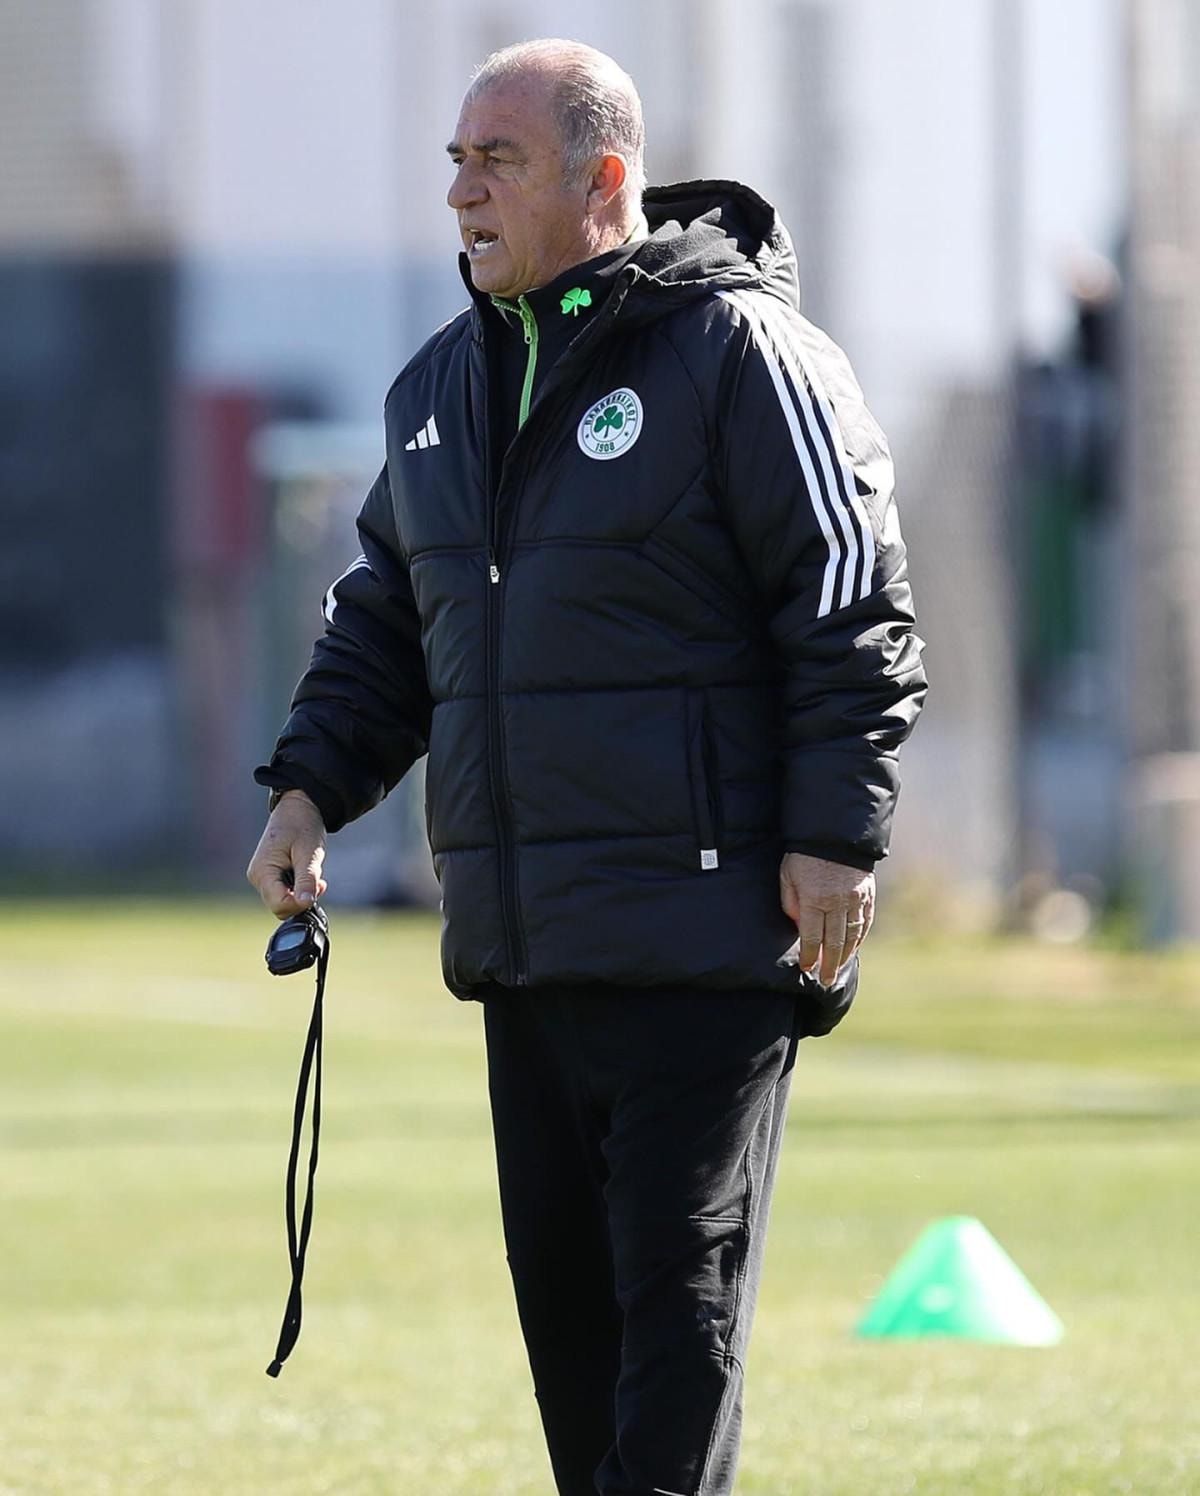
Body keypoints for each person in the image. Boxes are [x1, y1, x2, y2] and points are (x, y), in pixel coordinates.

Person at [248, 37, 926, 1496]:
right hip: (526, 954)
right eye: (455, 162)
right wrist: (307, 790)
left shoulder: (742, 355)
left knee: (673, 1335)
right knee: (576, 1357)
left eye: (496, 162)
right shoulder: (437, 387)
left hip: (704, 941)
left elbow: (853, 608)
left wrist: (837, 840)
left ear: (602, 177)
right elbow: (387, 623)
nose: (461, 194)